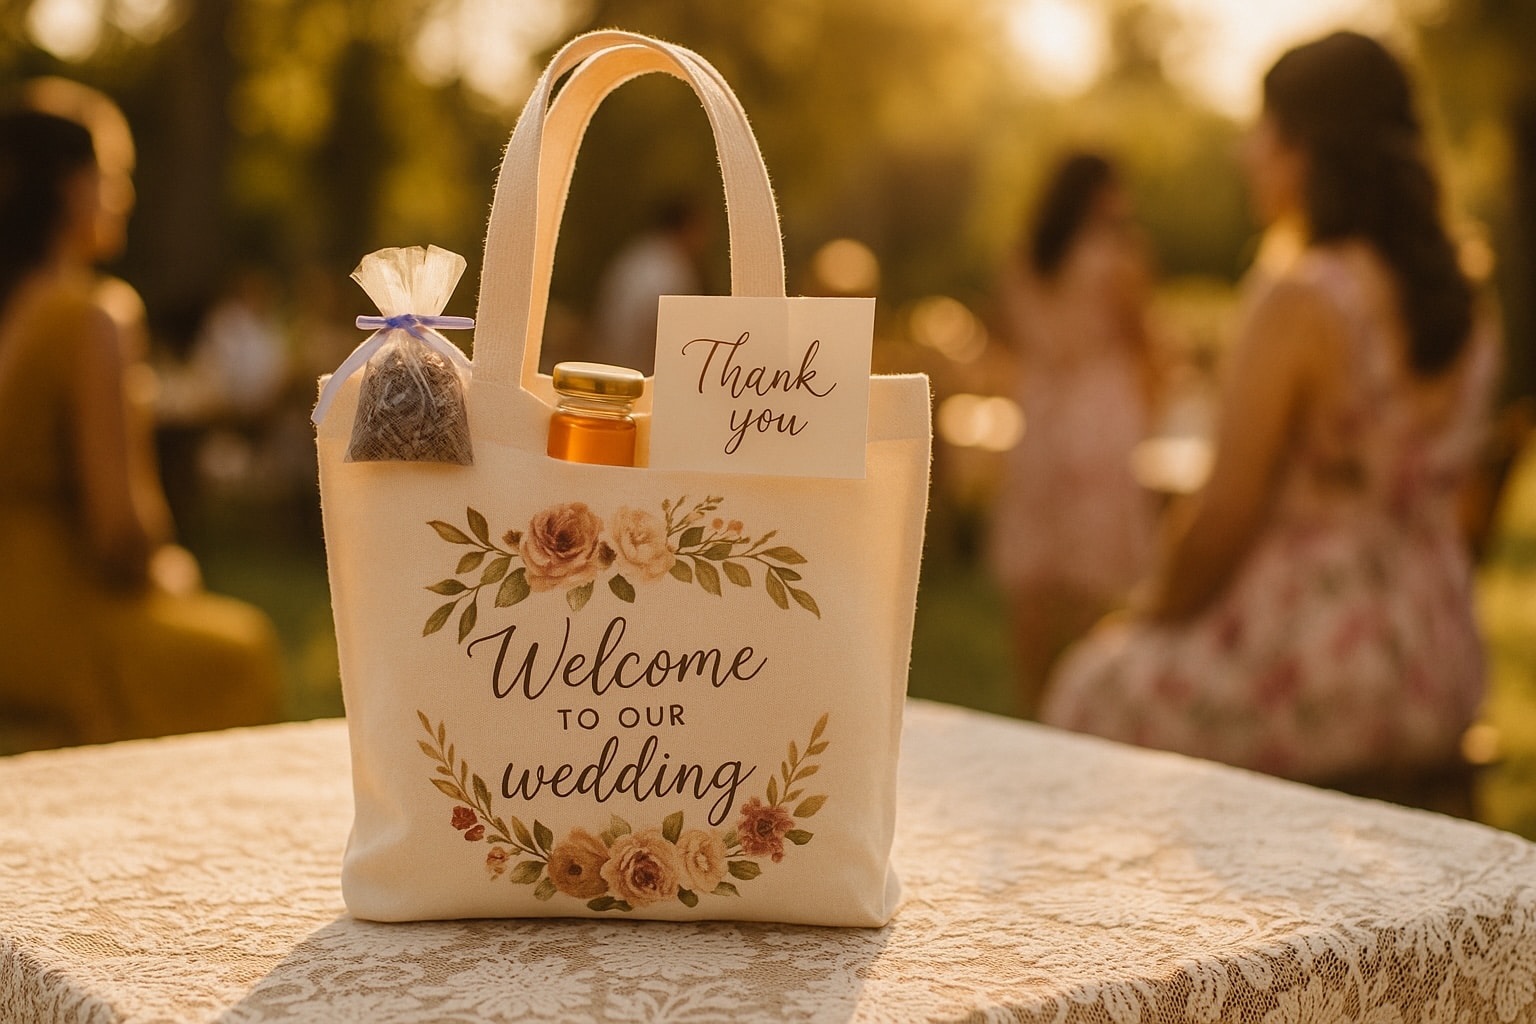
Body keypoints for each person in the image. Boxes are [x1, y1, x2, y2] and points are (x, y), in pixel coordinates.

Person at [1041, 33, 1498, 794]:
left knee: (1089, 687)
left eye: (1264, 129)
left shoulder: (1302, 297)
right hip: (1439, 661)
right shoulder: (1467, 301)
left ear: (1307, 148)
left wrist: (1144, 616)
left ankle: (1160, 879)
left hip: (1322, 663)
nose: (1246, 152)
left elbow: (1224, 515)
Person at [0, 91, 282, 753]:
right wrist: (167, 570)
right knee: (243, 650)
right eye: (113, 174)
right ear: (70, 186)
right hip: (49, 623)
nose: (124, 195)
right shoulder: (95, 315)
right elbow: (118, 535)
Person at [988, 152, 1160, 717]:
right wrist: (1153, 408)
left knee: (1034, 579)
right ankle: (1081, 711)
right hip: (1099, 414)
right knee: (1092, 581)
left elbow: (1006, 334)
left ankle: (1032, 707)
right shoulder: (1117, 257)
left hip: (1041, 414)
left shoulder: (1025, 256)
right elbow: (1144, 340)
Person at [587, 196, 709, 375]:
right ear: (687, 227)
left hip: (613, 363)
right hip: (640, 372)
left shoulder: (638, 255)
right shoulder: (670, 270)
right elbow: (677, 337)